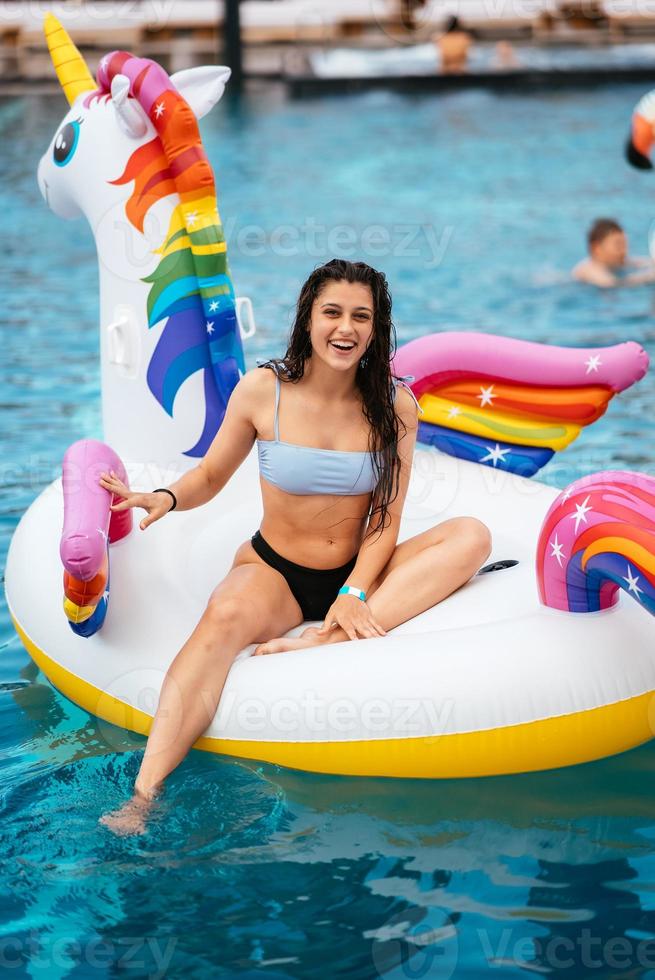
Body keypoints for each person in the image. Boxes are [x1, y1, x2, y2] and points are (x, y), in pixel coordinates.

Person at [97, 259, 492, 835]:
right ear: (308, 318)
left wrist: (355, 591)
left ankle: (327, 637)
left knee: (472, 537)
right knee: (222, 617)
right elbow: (210, 475)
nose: (346, 328)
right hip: (276, 572)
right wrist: (166, 496)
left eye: (362, 316)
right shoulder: (265, 390)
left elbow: (387, 514)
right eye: (332, 312)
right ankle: (144, 795)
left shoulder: (396, 406)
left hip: (359, 569)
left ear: (378, 329)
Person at [571, 218, 655, 288]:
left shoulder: (620, 261)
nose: (624, 250)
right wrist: (647, 277)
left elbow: (645, 262)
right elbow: (612, 284)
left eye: (625, 245)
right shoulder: (588, 269)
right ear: (596, 248)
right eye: (618, 245)